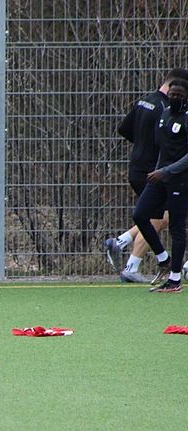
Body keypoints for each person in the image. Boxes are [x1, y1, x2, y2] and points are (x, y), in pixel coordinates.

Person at [105, 68, 188, 282]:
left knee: (160, 217)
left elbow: (124, 128)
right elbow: (168, 142)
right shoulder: (164, 108)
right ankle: (133, 265)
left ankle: (123, 243)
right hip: (155, 171)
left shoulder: (145, 100)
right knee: (158, 219)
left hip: (140, 166)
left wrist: (142, 145)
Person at [132, 78, 188, 292]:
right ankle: (164, 259)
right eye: (172, 95)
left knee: (176, 227)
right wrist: (158, 170)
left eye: (179, 95)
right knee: (140, 215)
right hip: (160, 177)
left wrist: (166, 171)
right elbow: (163, 149)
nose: (175, 98)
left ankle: (175, 279)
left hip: (179, 180)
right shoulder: (164, 115)